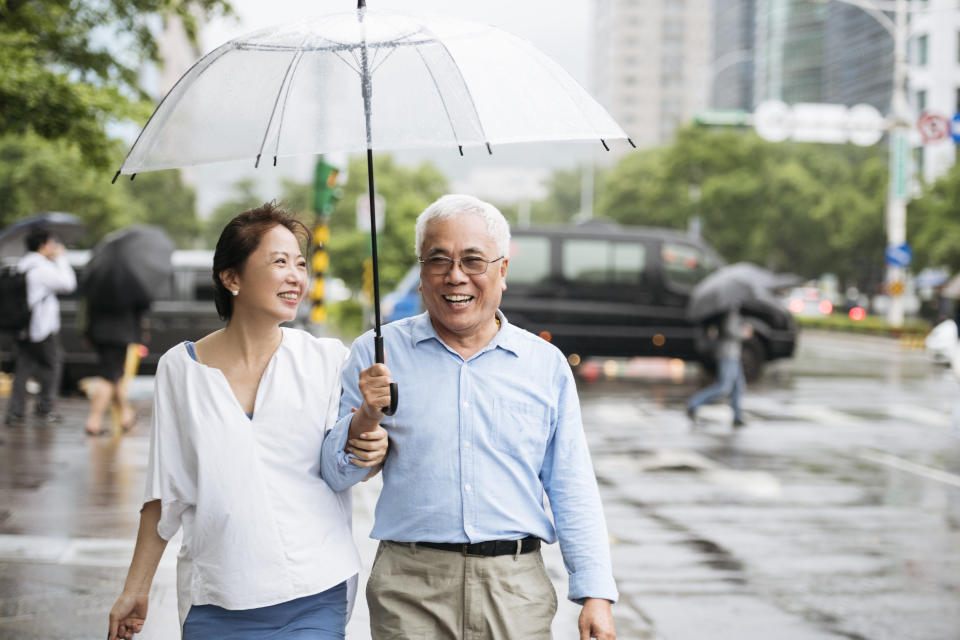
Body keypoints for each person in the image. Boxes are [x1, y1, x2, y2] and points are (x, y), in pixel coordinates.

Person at [321, 194, 618, 640]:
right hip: (410, 588)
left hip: (515, 589)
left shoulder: (544, 364)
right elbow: (335, 474)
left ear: (502, 271)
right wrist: (364, 419)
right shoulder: (376, 355)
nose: (455, 275)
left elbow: (571, 484)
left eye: (473, 261)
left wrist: (595, 593)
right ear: (421, 273)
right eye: (438, 259)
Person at [107, 204, 391, 640]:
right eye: (279, 262)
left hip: (315, 589)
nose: (296, 276)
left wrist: (371, 442)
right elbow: (166, 493)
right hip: (219, 595)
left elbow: (348, 462)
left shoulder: (328, 359)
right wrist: (136, 587)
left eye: (300, 263)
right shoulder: (180, 370)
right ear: (231, 277)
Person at [4, 227, 76, 427]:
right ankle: (45, 408)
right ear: (43, 245)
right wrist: (61, 258)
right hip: (42, 328)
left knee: (23, 368)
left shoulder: (22, 265)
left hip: (22, 328)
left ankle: (16, 411)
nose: (54, 247)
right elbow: (69, 284)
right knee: (53, 365)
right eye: (51, 243)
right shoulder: (43, 269)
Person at [82, 302, 146, 436]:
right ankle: (94, 421)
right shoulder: (125, 282)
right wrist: (139, 332)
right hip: (120, 334)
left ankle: (126, 416)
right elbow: (143, 302)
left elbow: (86, 306)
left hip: (99, 333)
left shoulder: (94, 282)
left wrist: (86, 332)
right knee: (109, 377)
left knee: (115, 375)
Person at [686, 308, 751, 428]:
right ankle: (694, 403)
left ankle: (737, 417)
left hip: (733, 354)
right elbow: (729, 330)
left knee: (738, 386)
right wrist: (744, 332)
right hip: (728, 354)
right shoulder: (730, 311)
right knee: (723, 387)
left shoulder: (733, 310)